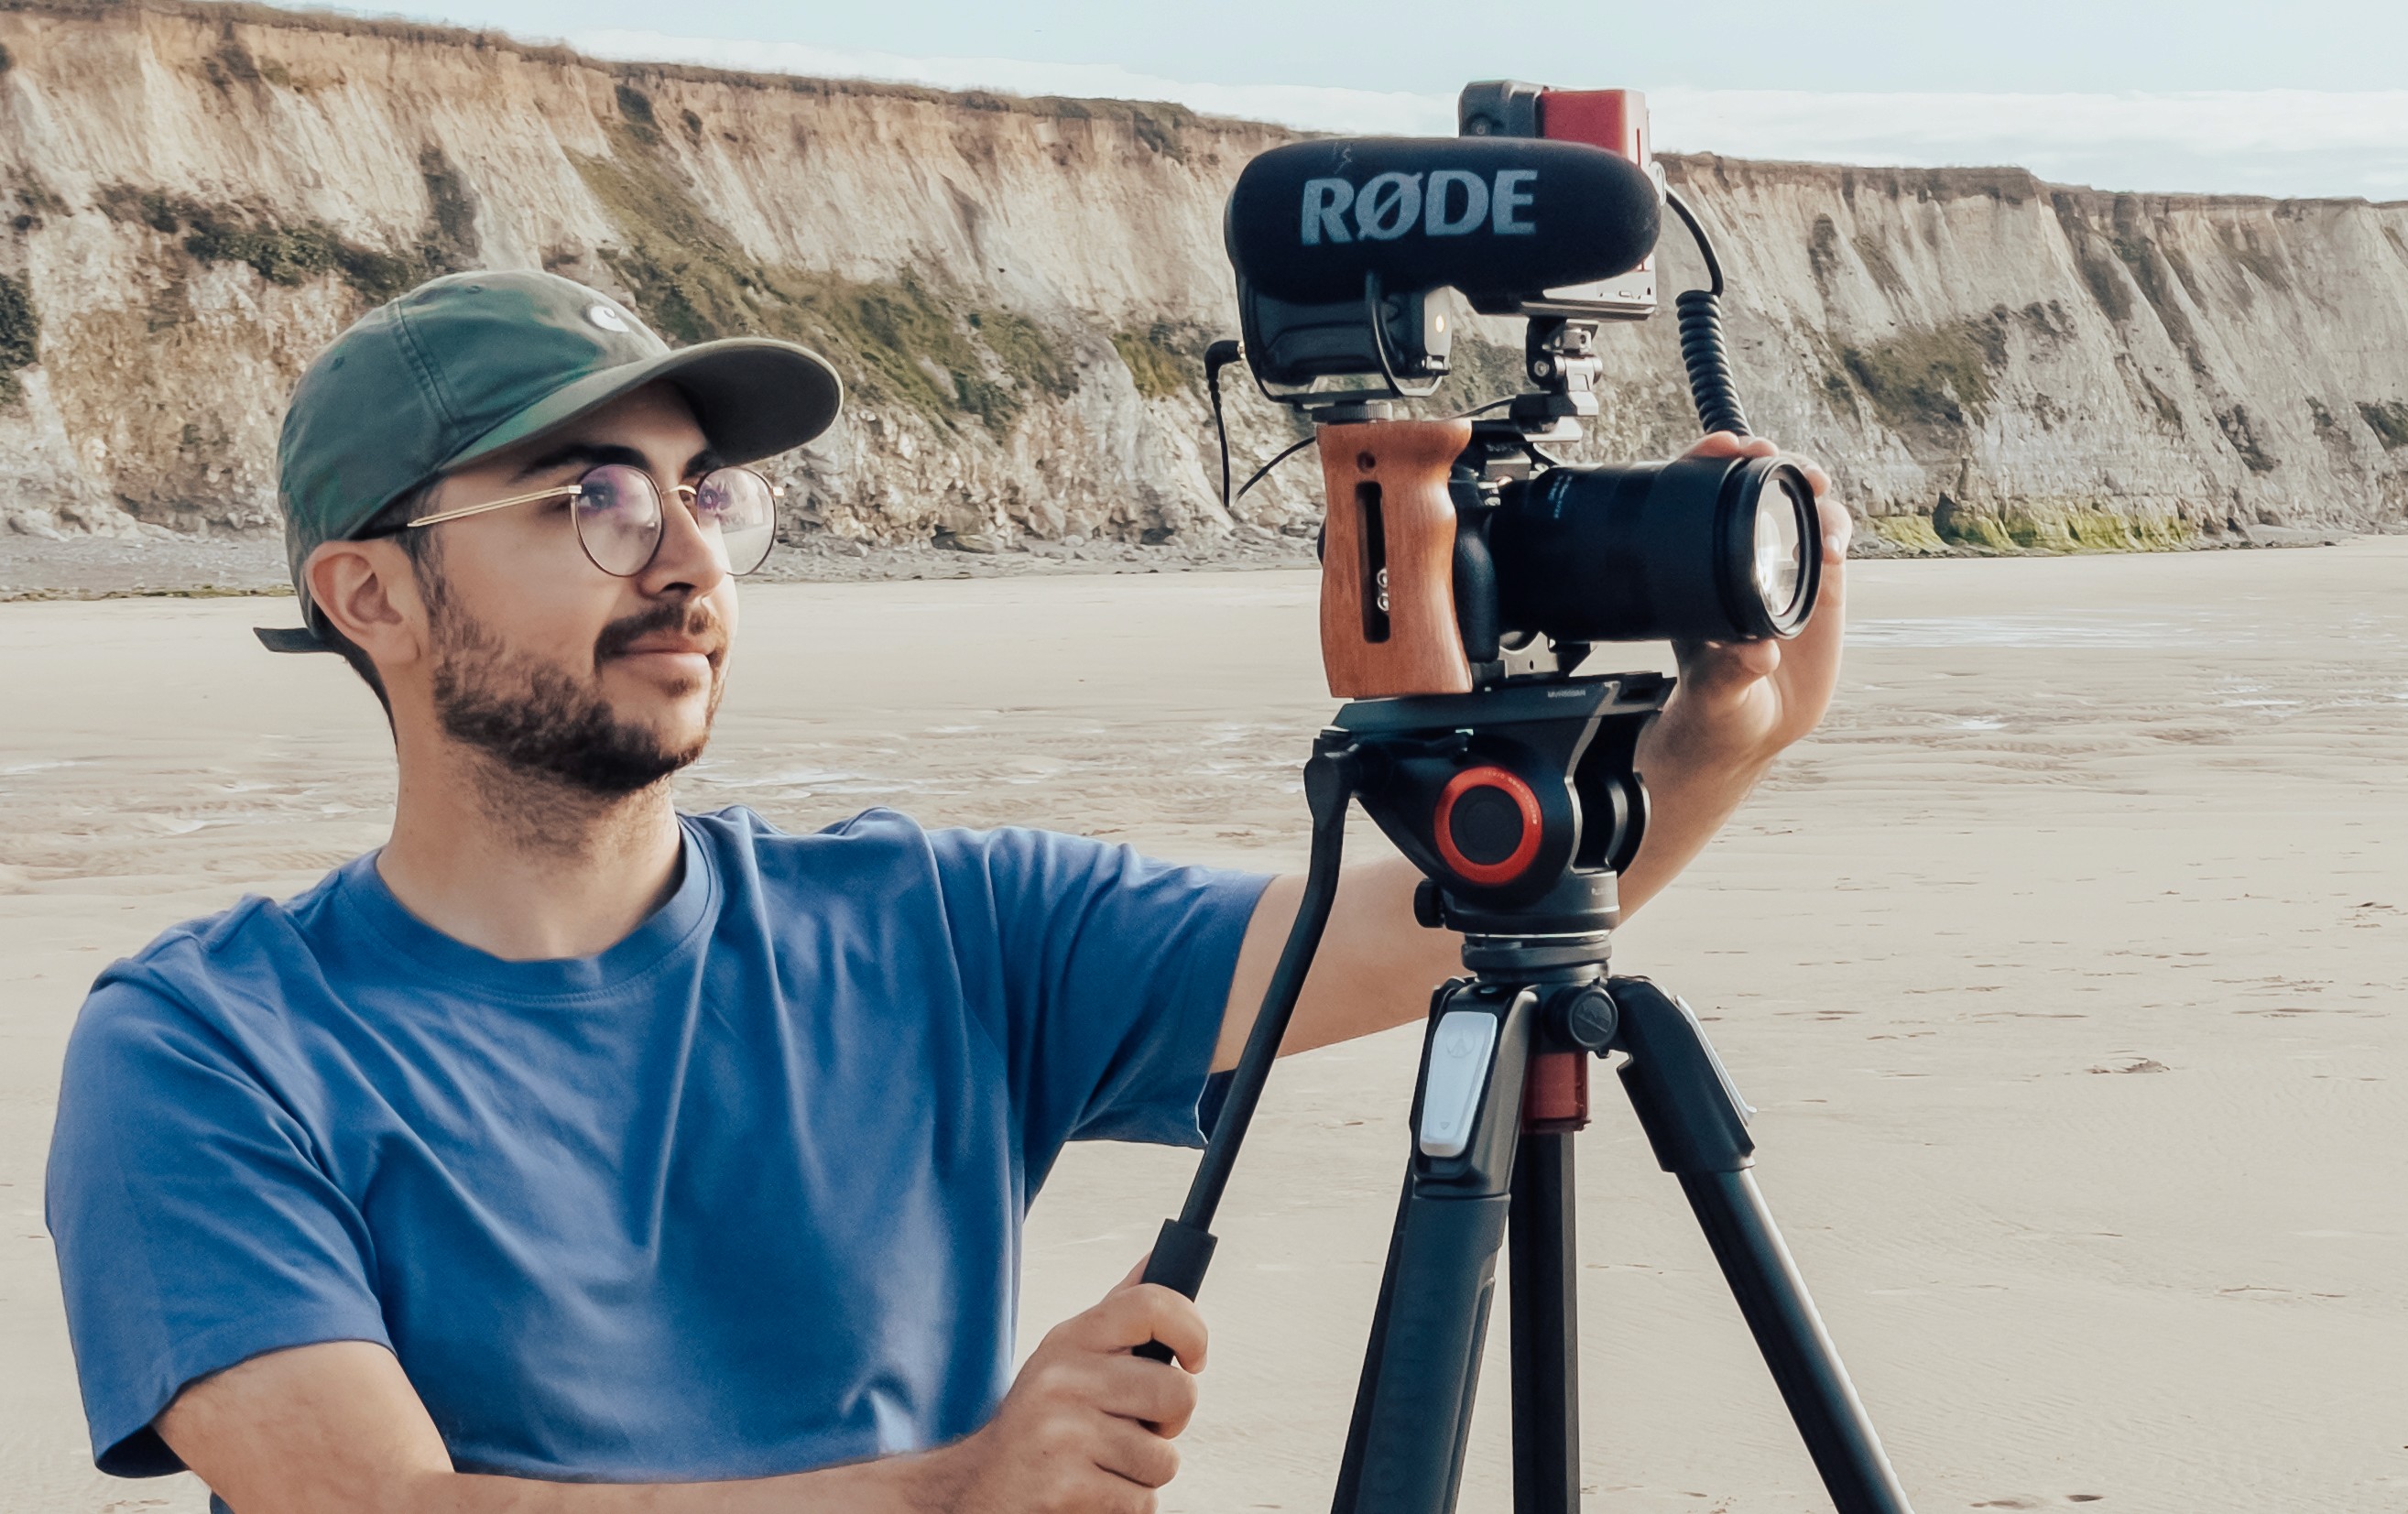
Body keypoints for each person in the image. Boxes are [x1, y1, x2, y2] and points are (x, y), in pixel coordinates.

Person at [45, 269, 1850, 1514]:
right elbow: (367, 1503)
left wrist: (1714, 739)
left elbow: (1413, 924)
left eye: (706, 490)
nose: (684, 556)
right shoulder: (208, 1041)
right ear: (369, 596)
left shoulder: (930, 920)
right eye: (587, 496)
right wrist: (948, 1487)